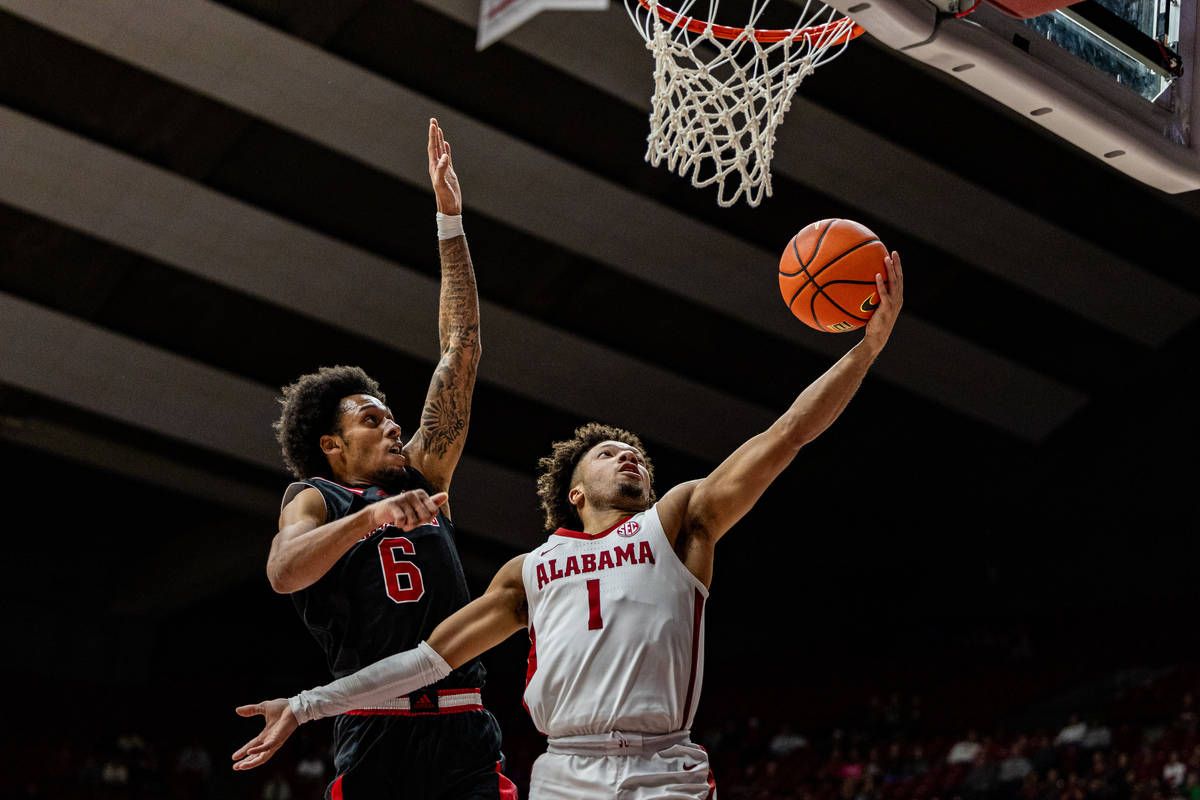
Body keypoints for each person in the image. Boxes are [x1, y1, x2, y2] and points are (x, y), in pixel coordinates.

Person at [233, 252, 906, 798]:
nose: (630, 453)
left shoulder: (674, 522)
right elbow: (404, 647)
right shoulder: (523, 567)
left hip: (643, 762)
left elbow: (786, 434)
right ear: (577, 491)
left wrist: (866, 352)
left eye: (635, 451)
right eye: (610, 452)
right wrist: (310, 702)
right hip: (539, 766)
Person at [250, 119, 516, 799]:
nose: (394, 424)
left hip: (463, 727)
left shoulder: (424, 477)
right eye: (371, 418)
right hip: (374, 730)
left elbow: (461, 347)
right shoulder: (316, 496)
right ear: (331, 447)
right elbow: (283, 572)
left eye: (390, 413)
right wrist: (369, 522)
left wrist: (449, 221)